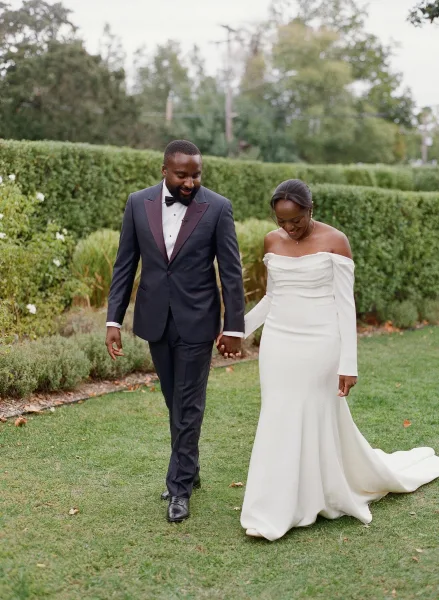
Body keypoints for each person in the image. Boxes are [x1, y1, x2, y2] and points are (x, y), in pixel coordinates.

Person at [241, 179, 439, 541]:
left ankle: (317, 495)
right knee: (277, 414)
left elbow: (346, 309)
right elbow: (272, 297)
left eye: (296, 220)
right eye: (282, 221)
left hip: (320, 344)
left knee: (313, 414)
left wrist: (349, 363)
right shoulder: (271, 242)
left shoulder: (336, 241)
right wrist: (241, 329)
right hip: (278, 345)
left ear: (310, 209)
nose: (289, 228)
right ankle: (273, 505)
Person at [105, 140, 245, 523]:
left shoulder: (217, 207)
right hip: (155, 320)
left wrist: (234, 327)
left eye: (196, 174)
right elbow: (124, 265)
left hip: (198, 322)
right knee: (174, 400)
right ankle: (191, 468)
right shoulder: (138, 203)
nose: (190, 182)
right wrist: (113, 321)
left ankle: (179, 487)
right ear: (164, 170)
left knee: (188, 403)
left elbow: (231, 273)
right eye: (182, 175)